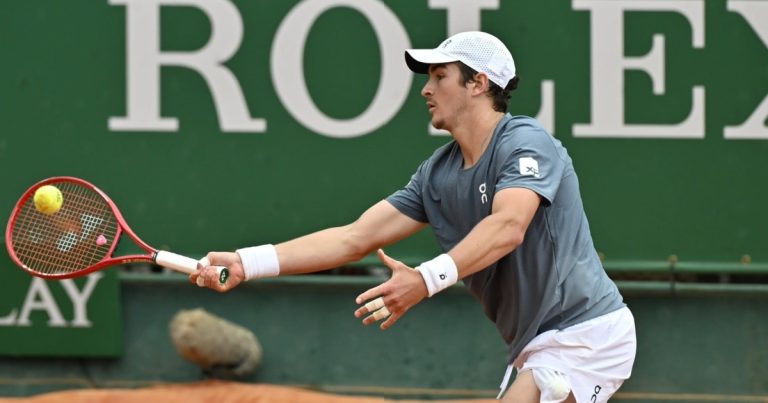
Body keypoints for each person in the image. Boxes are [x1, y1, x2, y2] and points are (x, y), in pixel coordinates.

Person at [192, 31, 636, 403]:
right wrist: (247, 263)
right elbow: (354, 238)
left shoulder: (525, 142)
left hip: (586, 332)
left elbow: (508, 227)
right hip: (532, 345)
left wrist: (425, 280)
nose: (426, 89)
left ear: (478, 83)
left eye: (440, 76)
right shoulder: (437, 174)